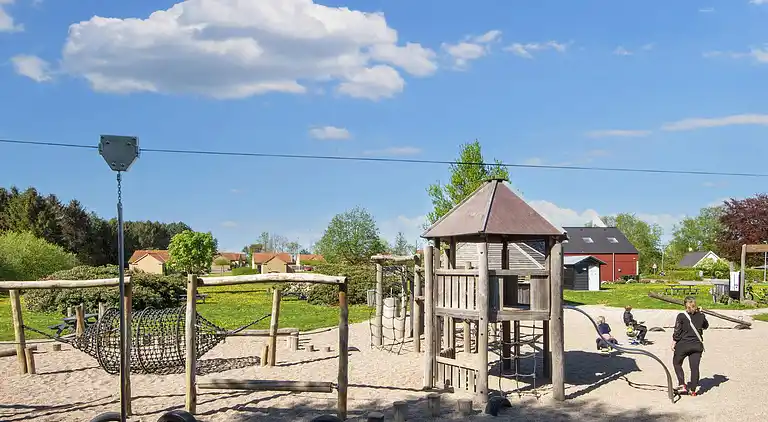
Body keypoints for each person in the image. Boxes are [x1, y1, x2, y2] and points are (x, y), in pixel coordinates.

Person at [672, 296, 709, 396]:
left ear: (684, 305)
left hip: (683, 345)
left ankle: (682, 384)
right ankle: (693, 390)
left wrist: (674, 342)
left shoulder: (681, 316)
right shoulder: (701, 315)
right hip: (697, 345)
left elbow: (677, 331)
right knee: (694, 368)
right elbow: (705, 326)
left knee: (677, 363)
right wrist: (701, 313)